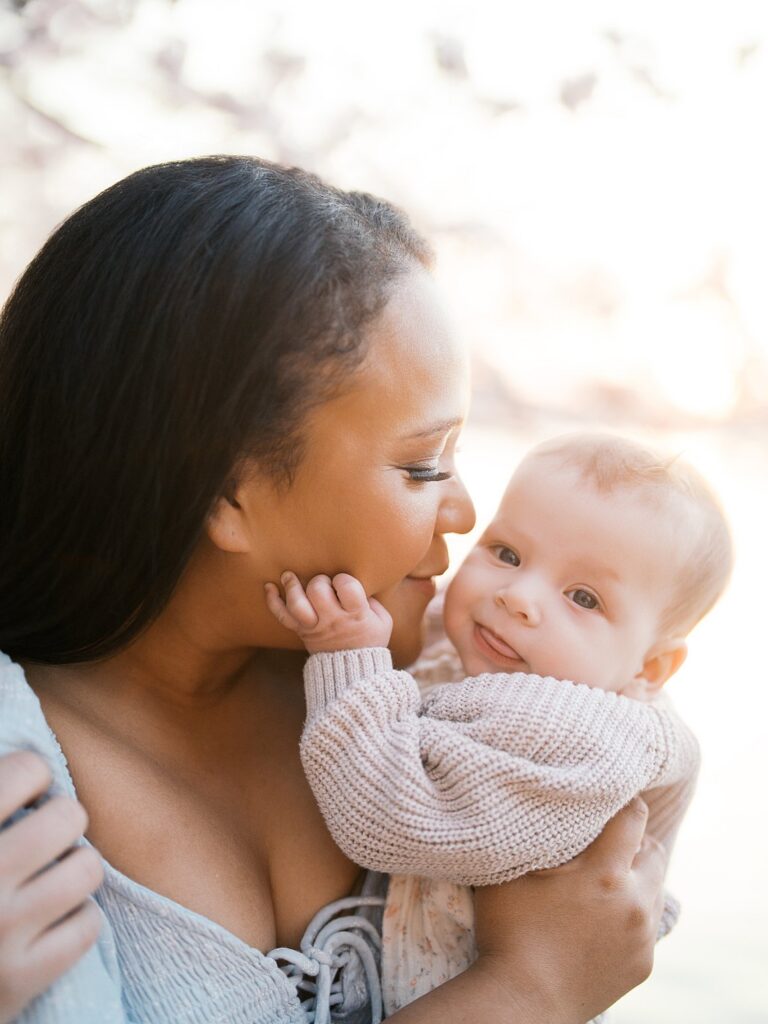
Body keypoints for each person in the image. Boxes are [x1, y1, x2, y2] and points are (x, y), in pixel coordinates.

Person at [0, 156, 668, 1023]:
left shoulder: (432, 686)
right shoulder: (24, 791)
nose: (464, 513)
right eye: (423, 463)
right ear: (226, 495)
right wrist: (532, 989)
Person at [266, 433, 732, 1016]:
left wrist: (346, 654)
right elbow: (442, 628)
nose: (518, 597)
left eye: (583, 598)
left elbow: (386, 819)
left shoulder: (571, 735)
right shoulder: (520, 656)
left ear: (650, 669)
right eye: (507, 554)